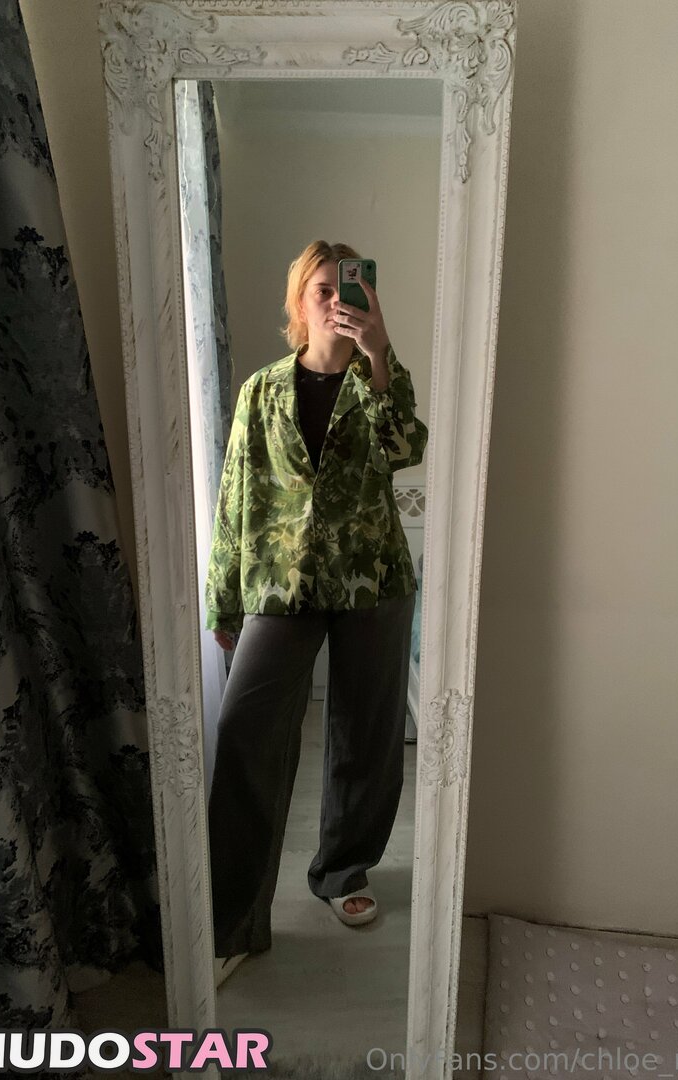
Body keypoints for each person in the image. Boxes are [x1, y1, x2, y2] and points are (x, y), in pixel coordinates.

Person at [204, 240, 428, 985]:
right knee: (246, 730)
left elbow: (407, 448)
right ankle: (233, 916)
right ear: (299, 302)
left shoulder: (377, 379)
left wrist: (380, 352)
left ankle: (342, 870)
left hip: (373, 579)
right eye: (322, 288)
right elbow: (236, 495)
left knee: (366, 733)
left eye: (348, 287)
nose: (336, 300)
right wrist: (223, 595)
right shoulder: (262, 390)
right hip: (282, 585)